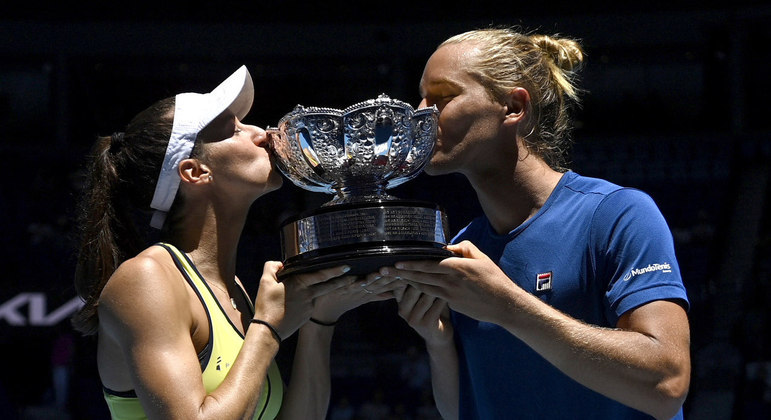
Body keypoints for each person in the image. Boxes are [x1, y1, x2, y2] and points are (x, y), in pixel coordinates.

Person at [375, 28, 691, 419]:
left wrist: (508, 307)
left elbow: (667, 385)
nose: (421, 114)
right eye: (421, 98)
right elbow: (463, 410)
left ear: (513, 106)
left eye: (442, 97)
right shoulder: (463, 249)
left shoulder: (617, 215)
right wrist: (438, 343)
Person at [71, 65, 385, 419]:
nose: (261, 133)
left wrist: (319, 318)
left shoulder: (233, 289)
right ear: (194, 172)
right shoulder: (145, 279)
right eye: (231, 130)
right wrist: (268, 329)